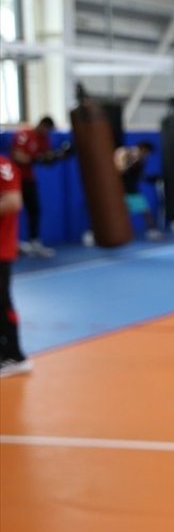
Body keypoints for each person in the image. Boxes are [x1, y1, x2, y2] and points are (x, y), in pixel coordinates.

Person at [9, 116, 70, 258]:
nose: (47, 133)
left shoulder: (43, 138)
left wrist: (57, 156)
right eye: (47, 130)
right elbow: (17, 155)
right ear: (42, 125)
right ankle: (11, 242)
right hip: (14, 179)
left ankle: (34, 241)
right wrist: (35, 158)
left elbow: (46, 157)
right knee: (13, 210)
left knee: (34, 209)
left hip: (29, 179)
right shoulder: (24, 134)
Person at [0, 154, 31, 377]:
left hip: (1, 248)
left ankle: (14, 355)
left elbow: (13, 201)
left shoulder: (2, 166)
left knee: (1, 302)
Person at [114, 141, 164, 241]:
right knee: (115, 214)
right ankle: (98, 233)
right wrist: (130, 164)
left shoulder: (141, 161)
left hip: (133, 191)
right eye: (147, 152)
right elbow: (121, 170)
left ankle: (151, 231)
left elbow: (139, 176)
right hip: (121, 191)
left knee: (145, 211)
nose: (148, 155)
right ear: (143, 149)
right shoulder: (127, 154)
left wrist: (151, 179)